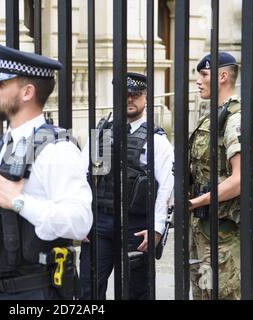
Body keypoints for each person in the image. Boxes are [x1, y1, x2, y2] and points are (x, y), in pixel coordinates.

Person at [0, 44, 93, 300]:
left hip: (34, 291)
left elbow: (79, 222)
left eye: (2, 84)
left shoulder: (57, 150)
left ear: (28, 92)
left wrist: (20, 202)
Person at [79, 73, 174, 300]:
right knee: (89, 288)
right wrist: (80, 217)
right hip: (99, 222)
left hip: (136, 225)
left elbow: (166, 188)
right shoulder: (101, 133)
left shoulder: (157, 139)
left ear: (145, 98)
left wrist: (158, 227)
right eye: (125, 95)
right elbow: (81, 177)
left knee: (135, 292)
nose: (130, 99)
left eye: (136, 95)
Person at [189, 52, 253, 300]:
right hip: (202, 228)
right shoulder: (213, 115)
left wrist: (194, 202)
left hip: (222, 234)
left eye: (204, 74)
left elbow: (241, 179)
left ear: (223, 76)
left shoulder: (235, 118)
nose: (198, 80)